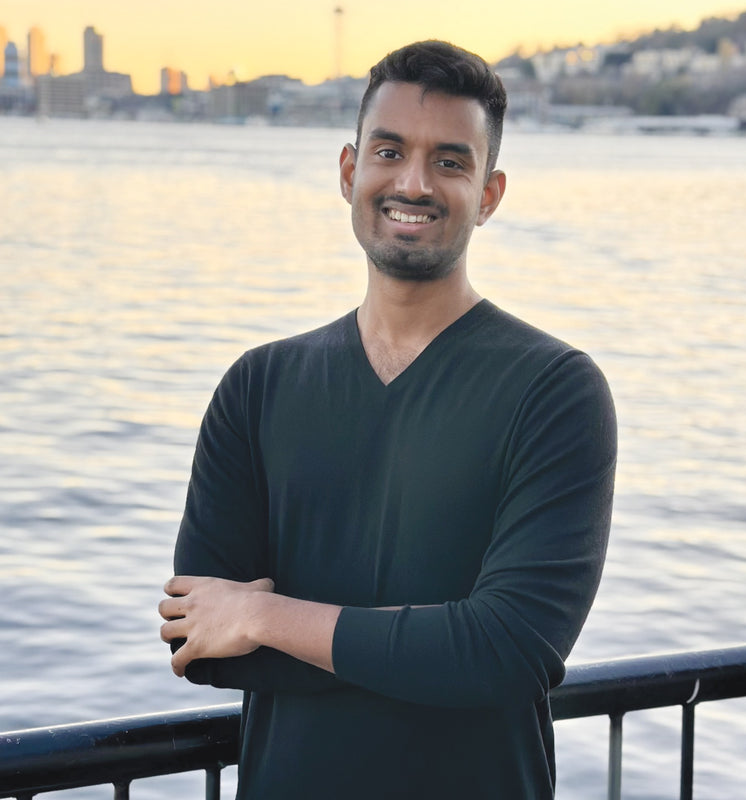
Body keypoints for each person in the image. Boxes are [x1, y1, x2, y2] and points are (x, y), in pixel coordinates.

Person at [158, 40, 616, 800]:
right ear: (349, 172)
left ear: (489, 195)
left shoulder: (555, 390)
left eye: (449, 162)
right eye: (389, 151)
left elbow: (509, 653)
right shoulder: (258, 385)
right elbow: (198, 643)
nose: (413, 183)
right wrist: (435, 649)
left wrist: (263, 616)